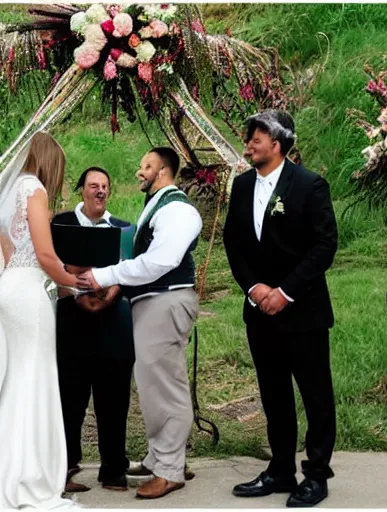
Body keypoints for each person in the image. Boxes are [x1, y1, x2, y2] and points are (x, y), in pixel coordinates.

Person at [223, 110, 338, 507]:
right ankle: (281, 469)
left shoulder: (309, 185)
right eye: (250, 136)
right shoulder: (240, 187)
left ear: (278, 143)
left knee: (316, 394)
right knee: (273, 394)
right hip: (259, 311)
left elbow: (325, 245)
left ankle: (317, 475)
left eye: (258, 137)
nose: (250, 142)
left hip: (302, 311)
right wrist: (254, 287)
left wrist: (285, 291)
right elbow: (233, 244)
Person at [78, 147, 202, 500]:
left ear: (163, 170)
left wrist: (105, 274)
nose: (139, 172)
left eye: (146, 165)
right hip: (152, 303)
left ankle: (169, 470)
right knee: (152, 385)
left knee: (165, 386)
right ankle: (159, 456)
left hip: (166, 301)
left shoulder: (177, 209)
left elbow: (159, 260)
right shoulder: (159, 205)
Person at [0, 131, 81, 509]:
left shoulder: (7, 191)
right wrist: (77, 282)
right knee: (34, 379)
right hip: (30, 292)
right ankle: (28, 474)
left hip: (9, 287)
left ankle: (9, 469)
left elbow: (9, 252)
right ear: (50, 161)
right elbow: (46, 257)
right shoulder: (34, 189)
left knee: (15, 380)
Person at [52, 167, 135, 493]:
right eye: (93, 185)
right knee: (69, 398)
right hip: (72, 319)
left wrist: (109, 295)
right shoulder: (61, 223)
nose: (100, 191)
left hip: (113, 319)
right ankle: (64, 467)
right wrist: (77, 296)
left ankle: (113, 468)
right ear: (81, 191)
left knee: (114, 397)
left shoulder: (124, 229)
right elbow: (54, 265)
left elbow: (129, 269)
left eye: (105, 186)